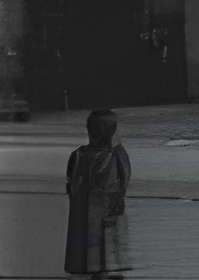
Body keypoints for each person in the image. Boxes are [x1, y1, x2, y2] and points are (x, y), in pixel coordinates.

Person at [64, 108, 131, 278]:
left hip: (86, 214)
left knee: (90, 243)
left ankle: (94, 268)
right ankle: (107, 269)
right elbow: (124, 179)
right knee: (108, 243)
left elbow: (70, 184)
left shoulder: (78, 155)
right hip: (108, 209)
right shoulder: (116, 154)